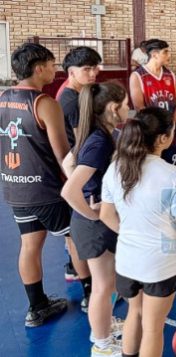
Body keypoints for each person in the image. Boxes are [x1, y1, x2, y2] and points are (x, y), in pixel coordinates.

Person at [100, 107, 176, 357]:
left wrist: (132, 234)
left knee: (135, 312)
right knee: (153, 328)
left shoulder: (115, 168)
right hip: (160, 263)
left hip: (127, 261)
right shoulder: (175, 175)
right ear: (163, 138)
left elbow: (106, 215)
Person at [0, 43, 70, 327]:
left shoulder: (3, 98)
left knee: (29, 244)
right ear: (39, 67)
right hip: (46, 189)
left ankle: (37, 307)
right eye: (52, 64)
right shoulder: (44, 103)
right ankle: (93, 295)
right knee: (75, 237)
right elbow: (63, 153)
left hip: (16, 188)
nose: (55, 69)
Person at [60, 82, 128, 356]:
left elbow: (68, 163)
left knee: (108, 282)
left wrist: (92, 192)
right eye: (124, 105)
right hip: (93, 226)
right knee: (102, 286)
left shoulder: (100, 133)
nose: (128, 109)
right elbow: (68, 190)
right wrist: (93, 212)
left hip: (96, 223)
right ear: (113, 109)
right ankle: (101, 343)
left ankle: (105, 326)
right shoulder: (99, 141)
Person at [57, 46, 102, 311]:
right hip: (77, 175)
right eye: (87, 69)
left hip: (71, 171)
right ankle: (90, 290)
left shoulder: (72, 92)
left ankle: (75, 268)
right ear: (71, 72)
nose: (94, 73)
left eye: (95, 67)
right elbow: (81, 142)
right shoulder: (73, 100)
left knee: (72, 234)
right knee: (82, 231)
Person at [129, 39, 176, 166]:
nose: (169, 55)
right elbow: (140, 108)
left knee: (171, 167)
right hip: (150, 132)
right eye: (165, 52)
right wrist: (156, 130)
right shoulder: (137, 76)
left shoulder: (171, 75)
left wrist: (171, 124)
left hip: (169, 131)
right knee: (151, 169)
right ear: (154, 54)